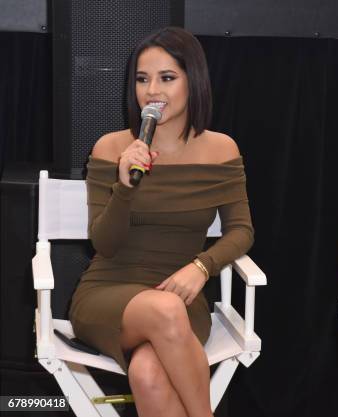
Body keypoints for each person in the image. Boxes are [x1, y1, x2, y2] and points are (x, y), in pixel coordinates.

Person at [69, 27, 254, 417]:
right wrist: (125, 187)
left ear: (194, 82)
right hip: (108, 294)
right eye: (142, 78)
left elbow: (241, 230)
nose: (152, 91)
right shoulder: (111, 147)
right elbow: (104, 244)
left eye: (167, 78)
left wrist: (202, 267)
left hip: (183, 297)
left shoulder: (221, 150)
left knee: (149, 374)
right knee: (165, 309)